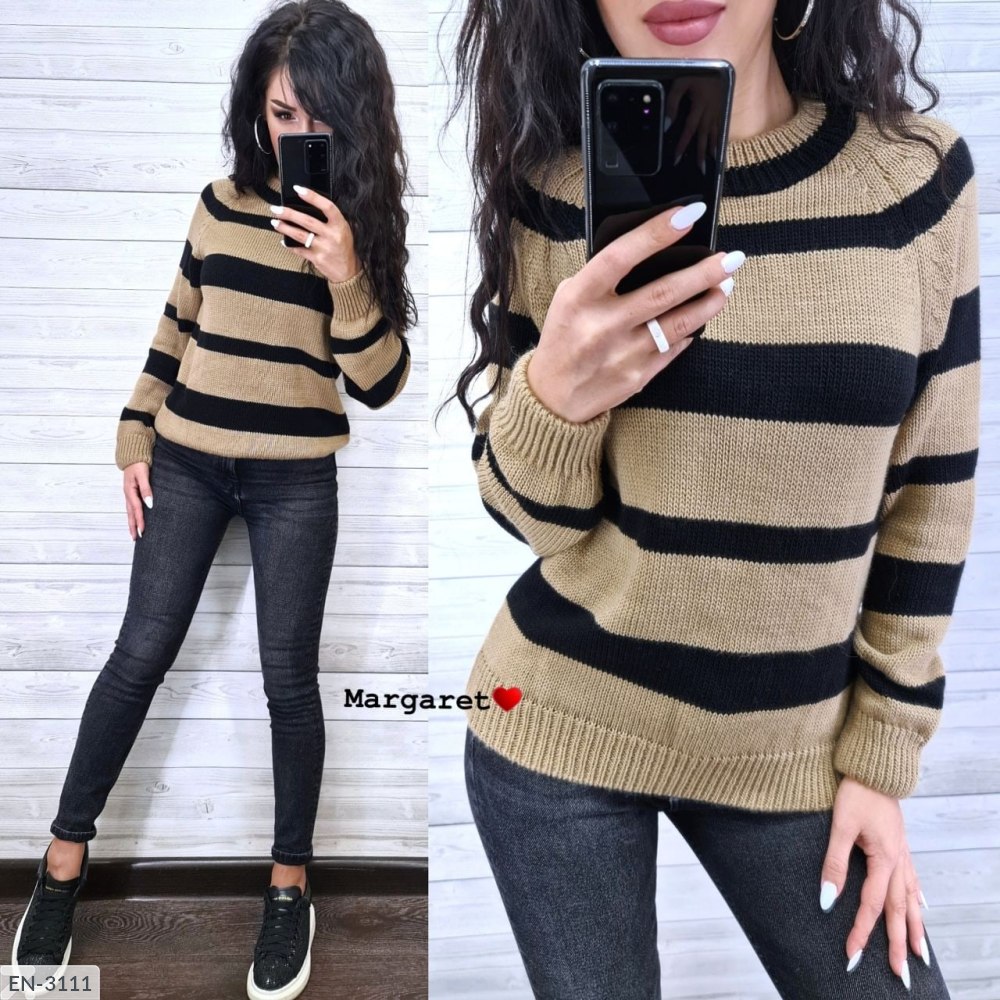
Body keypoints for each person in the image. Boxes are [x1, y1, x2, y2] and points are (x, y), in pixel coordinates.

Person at [444, 0, 979, 996]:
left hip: (797, 754)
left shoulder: (911, 182)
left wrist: (881, 760)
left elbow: (932, 494)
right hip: (561, 732)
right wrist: (554, 395)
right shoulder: (556, 194)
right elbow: (535, 522)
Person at [10, 2, 416, 998]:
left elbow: (380, 381)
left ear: (353, 116)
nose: (295, 134)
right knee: (138, 654)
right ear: (255, 109)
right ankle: (61, 865)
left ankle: (289, 888)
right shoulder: (220, 203)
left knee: (288, 682)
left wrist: (346, 274)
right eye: (280, 114)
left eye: (316, 117)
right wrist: (132, 431)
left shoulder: (360, 227)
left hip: (295, 479)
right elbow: (175, 324)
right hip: (187, 461)